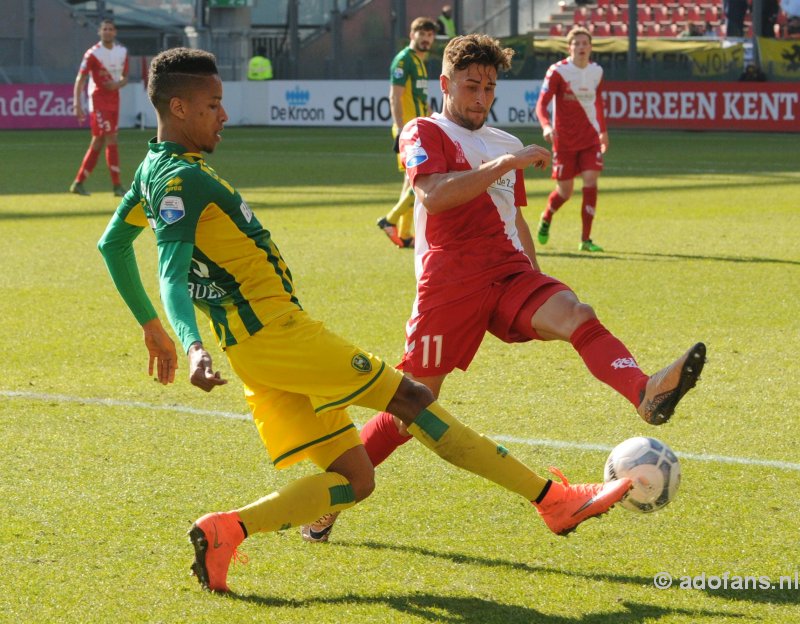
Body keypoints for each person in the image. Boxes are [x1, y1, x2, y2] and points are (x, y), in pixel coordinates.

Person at [97, 46, 633, 594]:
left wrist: (151, 327)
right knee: (414, 402)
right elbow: (169, 270)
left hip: (253, 350)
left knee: (356, 478)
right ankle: (553, 500)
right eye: (214, 104)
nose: (224, 114)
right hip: (280, 337)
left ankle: (226, 530)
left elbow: (112, 245)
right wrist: (186, 342)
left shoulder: (151, 172)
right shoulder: (182, 182)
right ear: (181, 108)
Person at [301, 33, 706, 543]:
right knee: (411, 407)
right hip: (449, 281)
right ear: (445, 84)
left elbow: (513, 218)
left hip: (509, 271)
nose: (481, 98)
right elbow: (435, 196)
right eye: (471, 86)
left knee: (578, 313)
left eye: (490, 88)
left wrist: (537, 280)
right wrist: (506, 165)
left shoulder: (505, 142)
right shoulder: (424, 130)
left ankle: (644, 392)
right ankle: (331, 496)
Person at [534, 26, 607, 253]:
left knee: (591, 181)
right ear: (569, 48)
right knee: (565, 192)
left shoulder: (597, 71)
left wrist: (603, 131)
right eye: (577, 43)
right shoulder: (557, 72)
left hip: (590, 138)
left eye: (585, 43)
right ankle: (547, 216)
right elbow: (541, 105)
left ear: (591, 47)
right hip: (564, 140)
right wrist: (546, 126)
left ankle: (586, 239)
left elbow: (597, 102)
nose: (581, 47)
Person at [376, 17, 437, 249]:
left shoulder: (419, 62)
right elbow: (395, 96)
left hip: (419, 129)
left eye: (430, 35)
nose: (426, 39)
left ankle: (403, 234)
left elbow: (421, 99)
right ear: (412, 35)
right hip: (410, 132)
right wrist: (401, 130)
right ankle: (389, 220)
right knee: (420, 180)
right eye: (422, 34)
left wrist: (435, 120)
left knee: (409, 182)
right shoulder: (403, 60)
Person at [70, 18, 129, 197]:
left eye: (110, 29)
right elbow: (80, 79)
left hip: (114, 99)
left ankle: (78, 182)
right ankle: (117, 185)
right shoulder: (93, 54)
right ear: (100, 32)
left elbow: (125, 77)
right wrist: (77, 103)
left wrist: (117, 84)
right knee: (111, 138)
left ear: (115, 32)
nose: (107, 32)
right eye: (104, 29)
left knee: (98, 141)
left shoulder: (122, 52)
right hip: (98, 100)